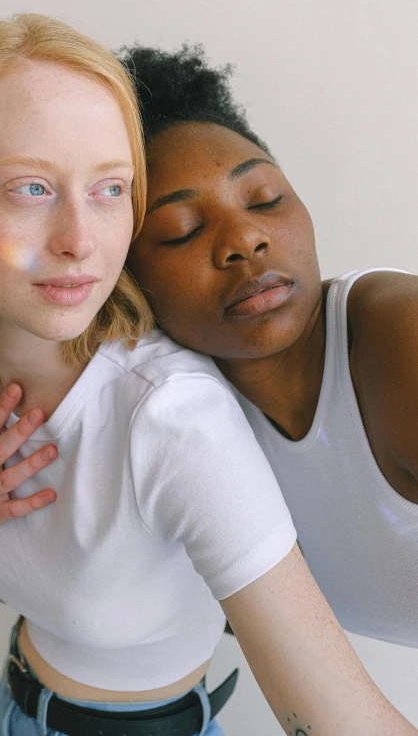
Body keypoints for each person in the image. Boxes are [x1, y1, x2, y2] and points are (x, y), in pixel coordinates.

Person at [0, 16, 417, 736]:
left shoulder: (174, 420)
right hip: (12, 707)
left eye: (110, 190)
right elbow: (17, 581)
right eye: (31, 188)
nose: (80, 241)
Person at [121, 44, 418, 651]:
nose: (244, 240)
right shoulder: (171, 423)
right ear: (126, 277)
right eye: (180, 231)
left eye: (264, 198)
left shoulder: (399, 334)